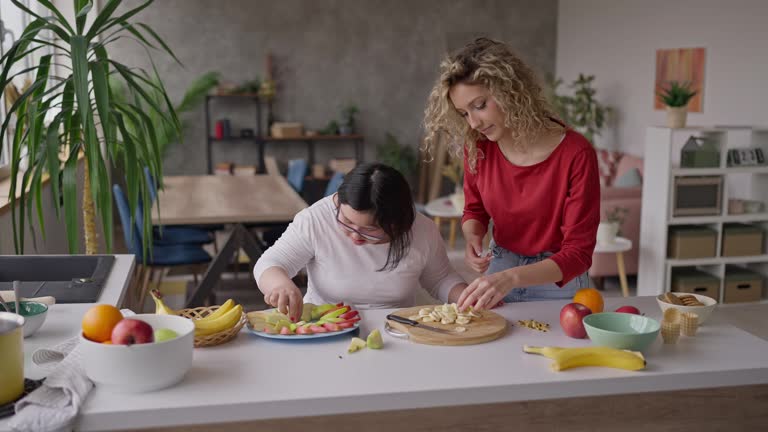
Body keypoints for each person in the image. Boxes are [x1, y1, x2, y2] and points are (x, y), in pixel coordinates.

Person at [422, 38, 600, 311]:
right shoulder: (478, 148)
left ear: (511, 91)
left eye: (480, 105)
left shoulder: (576, 153)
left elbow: (579, 254)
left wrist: (511, 278)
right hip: (502, 263)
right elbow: (474, 209)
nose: (474, 122)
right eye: (464, 113)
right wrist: (473, 236)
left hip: (556, 277)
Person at [253, 162, 468, 321]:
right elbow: (269, 263)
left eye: (370, 230)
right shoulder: (316, 219)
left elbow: (440, 279)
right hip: (324, 326)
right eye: (346, 221)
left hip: (396, 328)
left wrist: (469, 297)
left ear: (398, 223)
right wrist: (280, 284)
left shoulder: (421, 229)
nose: (355, 235)